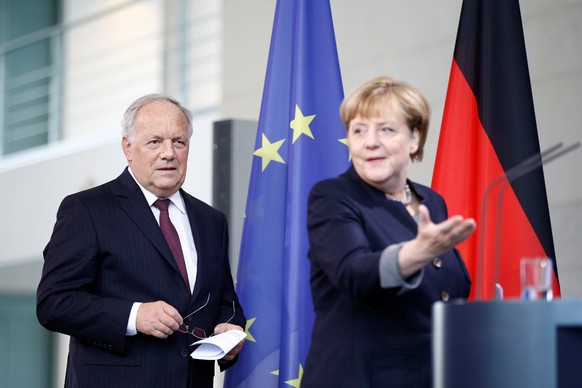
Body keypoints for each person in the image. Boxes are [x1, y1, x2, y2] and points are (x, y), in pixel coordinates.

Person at [36, 94, 246, 388]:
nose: (169, 153)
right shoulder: (87, 209)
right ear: (128, 148)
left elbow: (224, 301)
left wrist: (230, 328)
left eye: (179, 142)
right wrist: (134, 316)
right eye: (155, 142)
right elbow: (54, 303)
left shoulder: (211, 220)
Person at [302, 76, 476, 388]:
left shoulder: (431, 202)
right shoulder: (332, 197)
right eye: (359, 130)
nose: (370, 142)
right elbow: (354, 273)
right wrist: (418, 252)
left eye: (386, 129)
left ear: (414, 138)